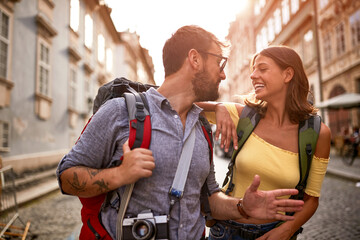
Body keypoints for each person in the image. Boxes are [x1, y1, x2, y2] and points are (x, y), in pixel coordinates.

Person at [56, 27, 304, 240]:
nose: (223, 74)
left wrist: (242, 207)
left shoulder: (203, 127)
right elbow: (67, 177)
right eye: (220, 62)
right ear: (195, 59)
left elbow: (210, 202)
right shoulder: (120, 111)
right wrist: (119, 174)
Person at [198, 45, 331, 240]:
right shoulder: (243, 115)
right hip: (225, 231)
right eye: (253, 69)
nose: (252, 75)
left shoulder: (317, 133)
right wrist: (217, 106)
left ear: (287, 75)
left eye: (262, 69)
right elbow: (180, 104)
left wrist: (287, 229)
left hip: (274, 234)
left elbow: (311, 199)